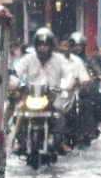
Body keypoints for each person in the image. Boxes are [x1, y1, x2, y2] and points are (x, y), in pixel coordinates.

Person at [10, 26, 78, 154]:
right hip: (31, 96)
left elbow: (69, 73)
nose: (42, 48)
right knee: (18, 113)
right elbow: (16, 71)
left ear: (51, 46)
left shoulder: (59, 59)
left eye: (45, 45)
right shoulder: (29, 58)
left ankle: (60, 141)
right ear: (36, 45)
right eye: (40, 45)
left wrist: (66, 85)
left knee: (60, 115)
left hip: (52, 97)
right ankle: (19, 141)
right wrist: (15, 82)